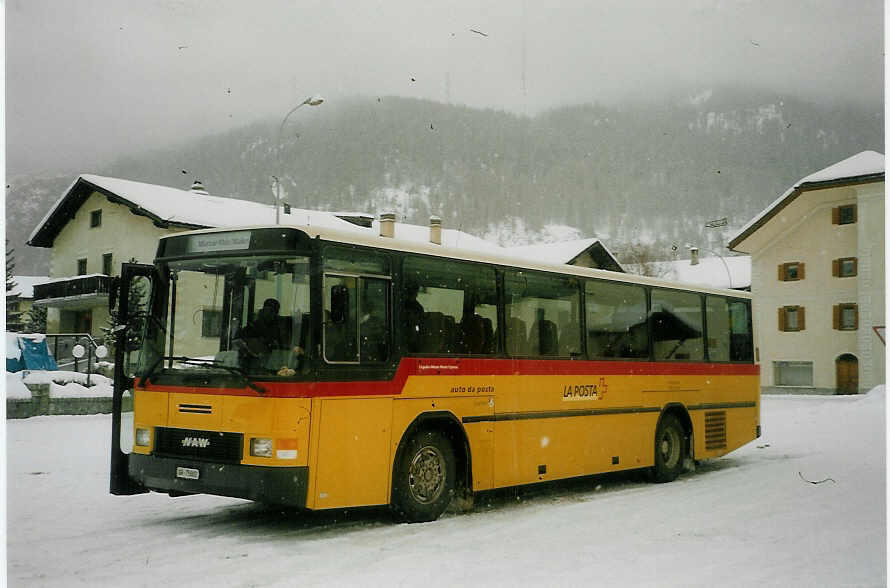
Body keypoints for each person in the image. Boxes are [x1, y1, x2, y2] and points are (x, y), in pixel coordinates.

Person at [236, 298, 303, 373]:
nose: (268, 314)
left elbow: (289, 346)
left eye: (272, 311)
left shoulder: (281, 327)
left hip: (277, 367)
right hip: (251, 367)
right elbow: (239, 340)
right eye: (266, 310)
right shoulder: (253, 326)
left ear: (276, 313)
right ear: (263, 310)